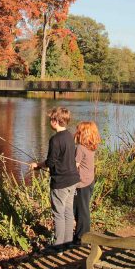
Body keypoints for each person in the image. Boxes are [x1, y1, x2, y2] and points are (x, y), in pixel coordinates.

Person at [30, 107, 80, 253]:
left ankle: (58, 246)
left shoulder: (55, 139)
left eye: (51, 119)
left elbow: (51, 161)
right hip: (73, 179)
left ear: (55, 121)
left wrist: (38, 165)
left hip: (61, 182)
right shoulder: (70, 136)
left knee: (59, 213)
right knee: (68, 211)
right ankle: (68, 242)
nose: (49, 121)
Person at [72, 121, 101, 246]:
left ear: (82, 134)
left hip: (82, 184)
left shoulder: (80, 148)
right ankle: (82, 236)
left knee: (81, 211)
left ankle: (82, 239)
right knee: (83, 210)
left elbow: (74, 167)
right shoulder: (91, 147)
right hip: (89, 182)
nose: (76, 133)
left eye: (78, 131)